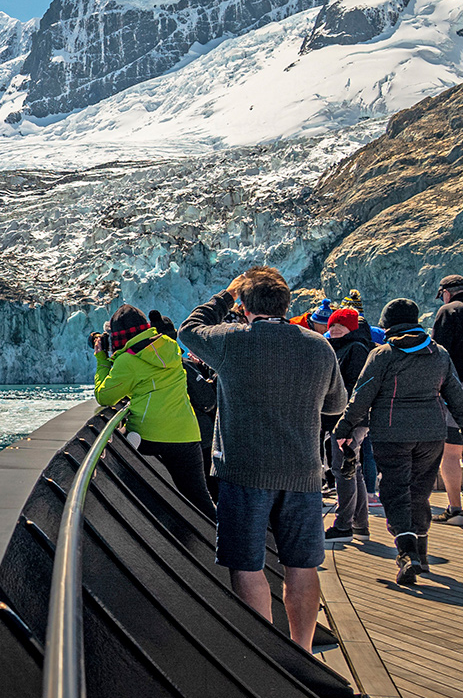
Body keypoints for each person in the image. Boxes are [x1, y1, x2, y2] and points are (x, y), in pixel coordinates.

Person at [179, 267, 346, 652]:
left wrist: (225, 295)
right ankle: (301, 653)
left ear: (244, 305)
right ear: (286, 304)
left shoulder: (232, 341)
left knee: (248, 564)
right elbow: (336, 403)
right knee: (302, 566)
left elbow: (189, 329)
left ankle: (263, 654)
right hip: (303, 473)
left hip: (244, 470)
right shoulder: (318, 345)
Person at [332, 298, 463, 585]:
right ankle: (422, 554)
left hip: (392, 435)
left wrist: (344, 425)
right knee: (420, 492)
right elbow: (456, 394)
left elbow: (361, 395)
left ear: (387, 324)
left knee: (395, 492)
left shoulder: (383, 355)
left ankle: (407, 553)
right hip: (432, 434)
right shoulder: (439, 353)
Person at [93, 304, 213, 516]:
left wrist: (102, 359)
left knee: (111, 452)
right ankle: (227, 543)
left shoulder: (127, 361)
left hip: (150, 436)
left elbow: (105, 396)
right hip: (187, 434)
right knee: (201, 502)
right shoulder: (169, 346)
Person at [322, 307, 372, 541]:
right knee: (353, 469)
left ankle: (343, 525)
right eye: (332, 325)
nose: (334, 330)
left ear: (351, 328)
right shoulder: (341, 348)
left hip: (348, 420)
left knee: (343, 471)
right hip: (344, 419)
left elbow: (355, 389)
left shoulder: (356, 349)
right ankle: (360, 523)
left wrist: (348, 424)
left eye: (340, 326)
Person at [430, 273, 463, 525]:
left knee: (451, 453)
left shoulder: (448, 311)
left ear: (447, 292)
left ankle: (455, 509)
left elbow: (438, 354)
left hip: (456, 392)